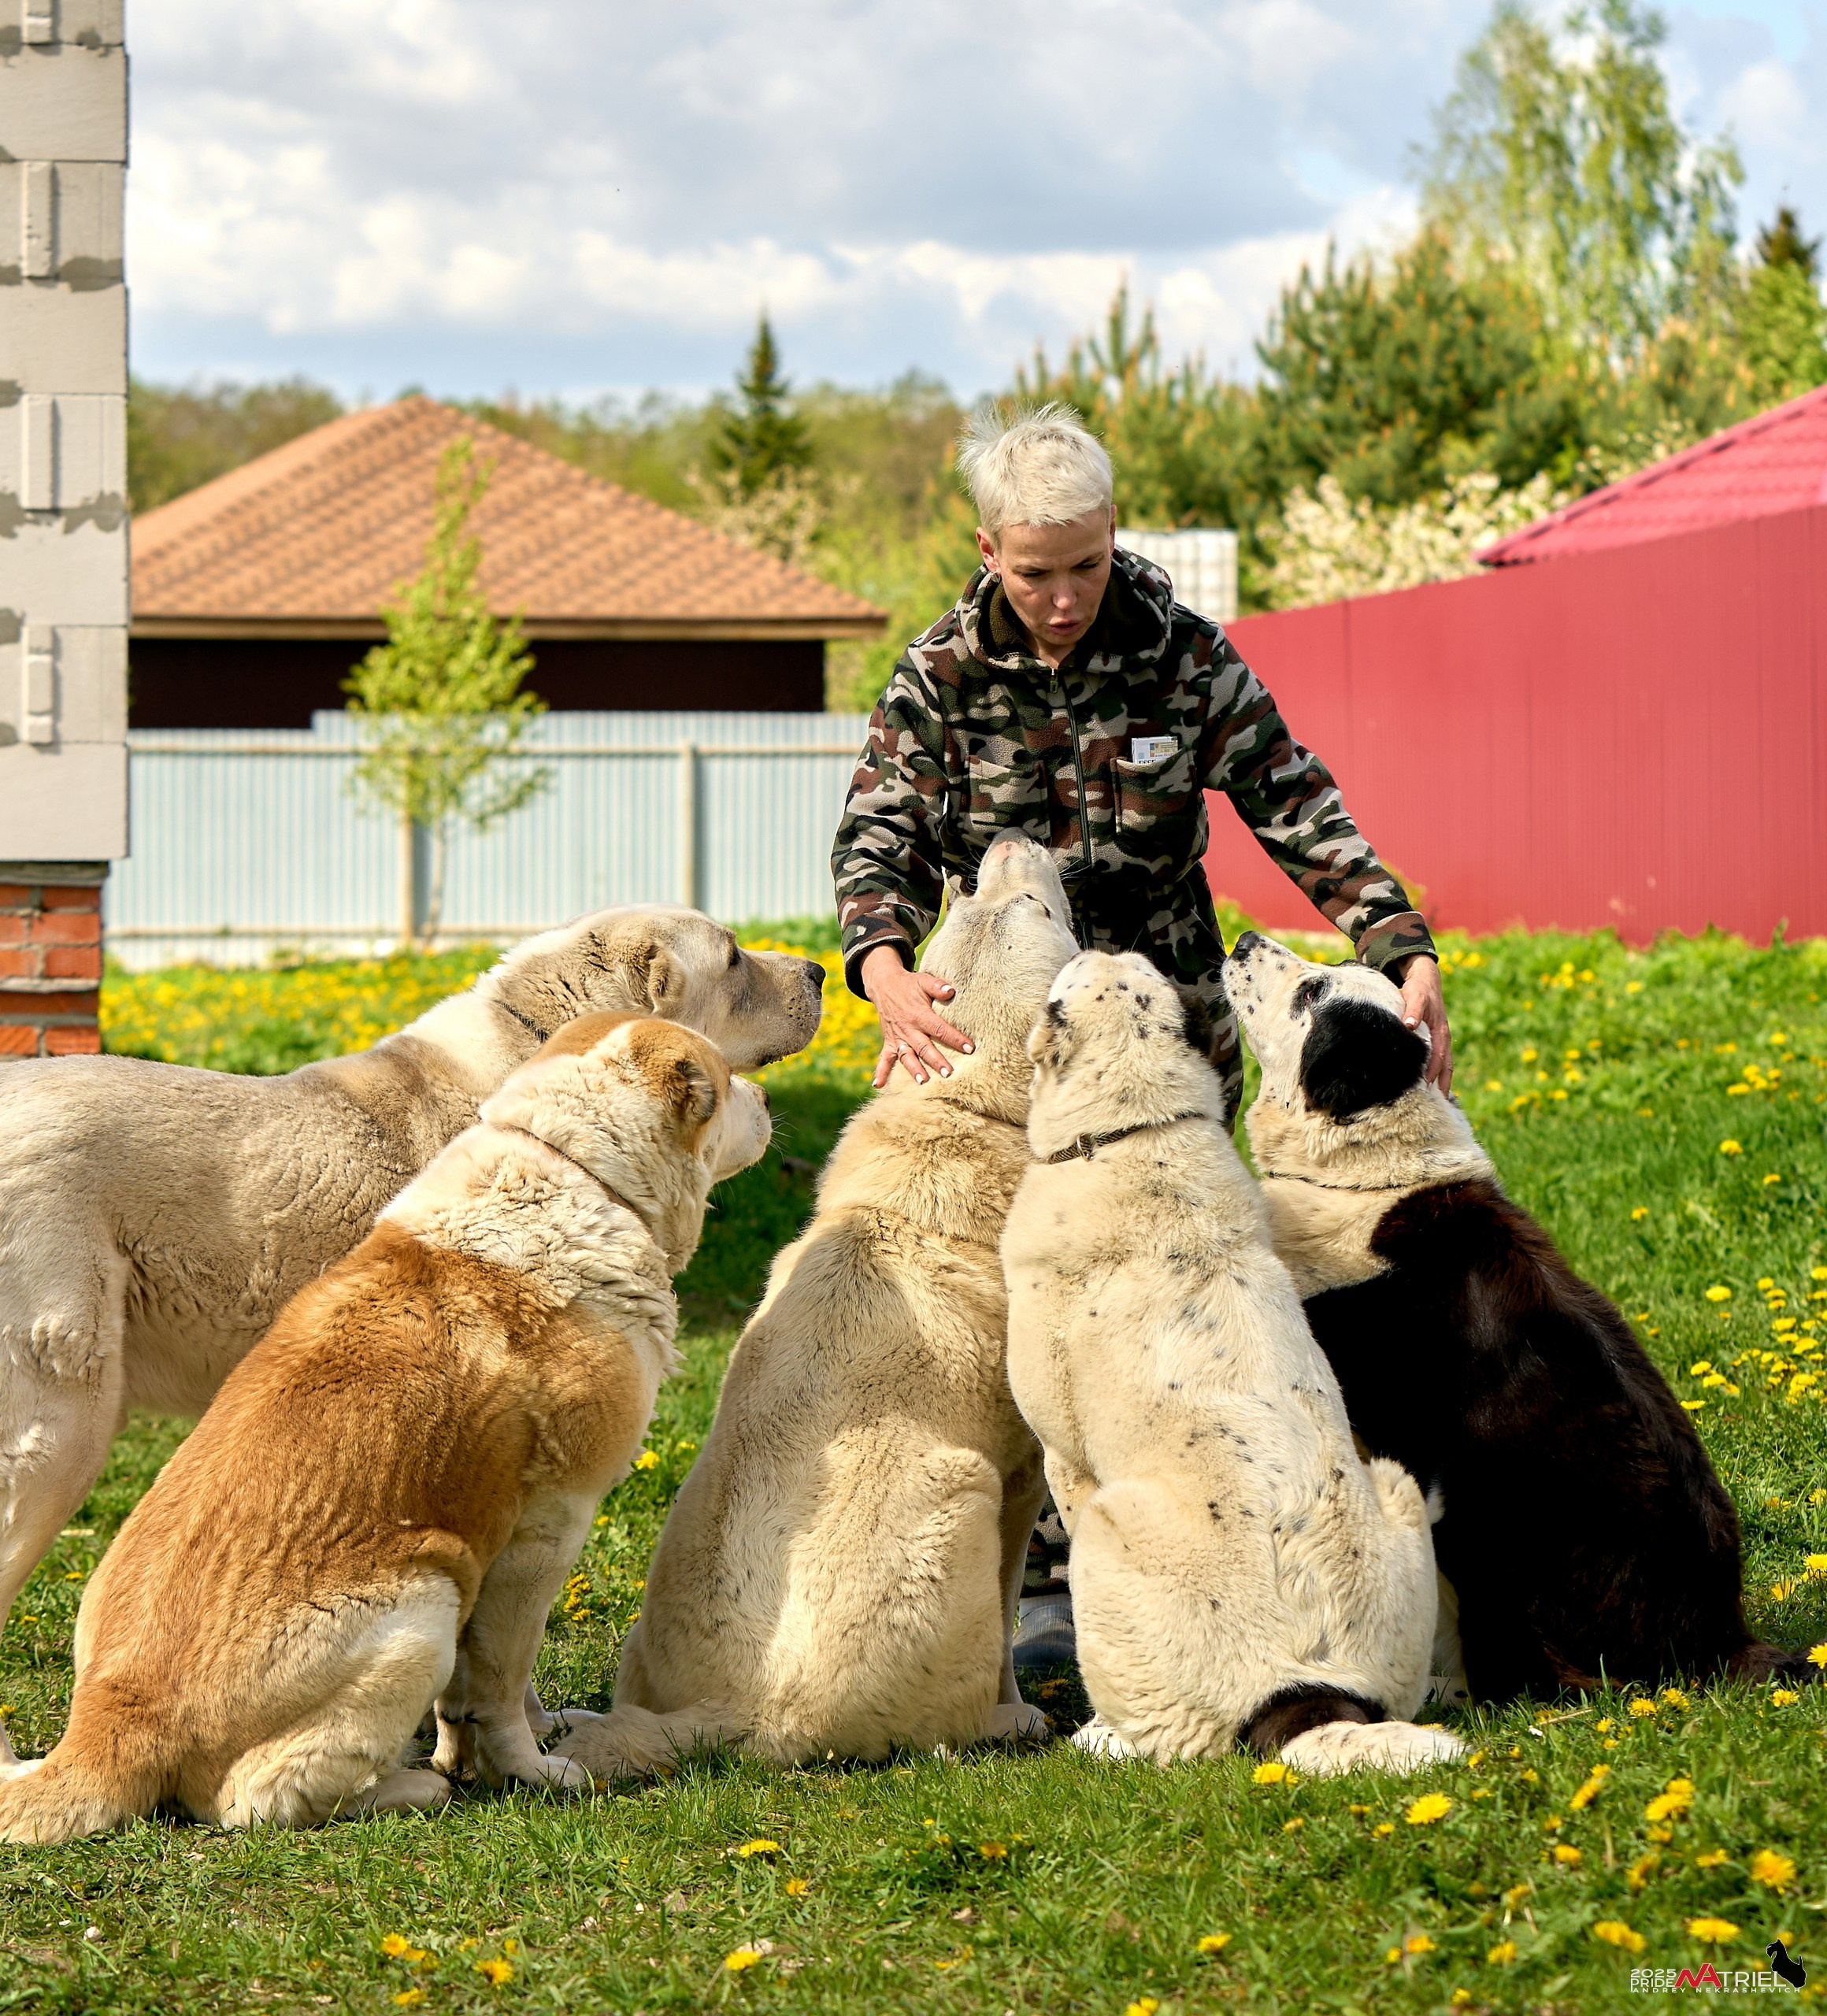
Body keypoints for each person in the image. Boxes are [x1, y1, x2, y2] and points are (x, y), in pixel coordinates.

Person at [829, 403, 1451, 1670]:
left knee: (1191, 1296)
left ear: (1115, 536)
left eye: (1087, 566)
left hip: (1174, 1047)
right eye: (1035, 570)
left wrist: (1399, 944)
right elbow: (878, 838)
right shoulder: (938, 677)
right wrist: (885, 967)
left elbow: (1296, 801)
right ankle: (1053, 1582)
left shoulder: (1183, 656)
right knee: (1041, 1303)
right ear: (990, 545)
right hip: (1017, 1053)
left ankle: (1240, 1542)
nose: (1064, 598)